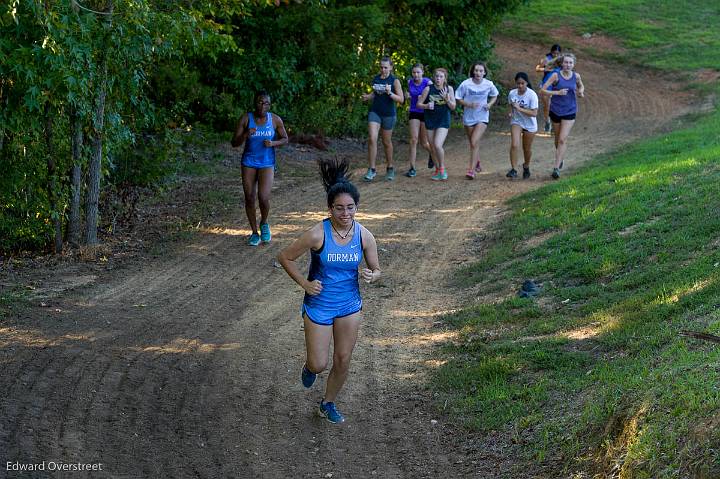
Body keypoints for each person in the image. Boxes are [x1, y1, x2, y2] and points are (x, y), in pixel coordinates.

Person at [277, 157, 381, 424]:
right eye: (339, 209)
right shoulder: (317, 234)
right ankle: (309, 368)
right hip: (319, 305)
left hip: (349, 305)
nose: (345, 214)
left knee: (343, 359)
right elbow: (285, 257)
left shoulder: (364, 236)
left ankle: (328, 403)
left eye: (350, 208)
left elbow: (376, 269)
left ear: (357, 207)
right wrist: (305, 284)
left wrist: (372, 274)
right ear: (330, 209)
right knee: (319, 364)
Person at [231, 91, 288, 246]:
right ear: (255, 103)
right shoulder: (246, 119)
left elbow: (285, 139)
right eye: (260, 102)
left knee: (263, 197)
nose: (263, 106)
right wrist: (245, 135)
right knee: (249, 197)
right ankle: (254, 233)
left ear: (270, 105)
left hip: (267, 163)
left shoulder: (275, 119)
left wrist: (273, 143)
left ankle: (264, 222)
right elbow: (234, 143)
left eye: (266, 103)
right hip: (249, 162)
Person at [541, 53, 585, 179]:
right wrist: (557, 92)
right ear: (561, 63)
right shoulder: (555, 75)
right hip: (555, 110)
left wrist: (581, 91)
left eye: (570, 63)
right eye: (566, 62)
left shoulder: (576, 76)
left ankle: (556, 168)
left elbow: (581, 85)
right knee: (557, 139)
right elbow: (542, 90)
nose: (568, 65)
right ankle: (561, 157)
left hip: (570, 110)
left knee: (562, 139)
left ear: (573, 64)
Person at [362, 56, 404, 181]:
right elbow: (375, 93)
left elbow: (401, 100)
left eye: (386, 67)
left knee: (386, 142)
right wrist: (368, 97)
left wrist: (389, 93)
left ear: (391, 67)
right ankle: (372, 169)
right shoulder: (376, 78)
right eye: (381, 67)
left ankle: (390, 168)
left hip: (389, 114)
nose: (383, 70)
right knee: (372, 138)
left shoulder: (394, 80)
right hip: (375, 112)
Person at [455, 62, 498, 180]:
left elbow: (495, 95)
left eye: (481, 71)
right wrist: (468, 104)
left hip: (482, 117)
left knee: (474, 141)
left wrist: (489, 104)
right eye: (476, 70)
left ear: (484, 72)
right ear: (473, 72)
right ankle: (477, 161)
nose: (478, 73)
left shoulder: (488, 84)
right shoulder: (466, 84)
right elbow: (458, 97)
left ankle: (471, 170)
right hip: (469, 117)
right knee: (473, 143)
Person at [417, 67, 456, 181]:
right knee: (433, 147)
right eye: (437, 76)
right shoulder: (428, 89)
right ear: (433, 78)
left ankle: (442, 169)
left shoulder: (449, 89)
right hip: (430, 120)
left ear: (445, 78)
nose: (438, 79)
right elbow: (418, 104)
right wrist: (426, 106)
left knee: (438, 144)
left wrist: (447, 99)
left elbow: (453, 107)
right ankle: (438, 169)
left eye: (441, 77)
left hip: (443, 120)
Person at [506, 72, 539, 179]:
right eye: (518, 83)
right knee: (515, 144)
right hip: (517, 121)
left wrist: (519, 108)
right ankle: (514, 169)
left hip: (530, 124)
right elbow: (510, 105)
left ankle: (526, 166)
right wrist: (510, 112)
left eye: (522, 83)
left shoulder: (532, 95)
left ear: (526, 83)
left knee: (527, 148)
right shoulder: (512, 93)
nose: (520, 86)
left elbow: (534, 113)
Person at [404, 63, 433, 177]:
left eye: (418, 72)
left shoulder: (427, 82)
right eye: (414, 72)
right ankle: (412, 168)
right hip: (414, 111)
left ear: (422, 73)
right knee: (413, 139)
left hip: (425, 112)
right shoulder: (409, 82)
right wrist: (407, 96)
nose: (416, 75)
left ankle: (432, 153)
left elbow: (433, 94)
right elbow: (409, 95)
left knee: (424, 142)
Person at [535, 44, 562, 133]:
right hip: (546, 84)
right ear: (551, 52)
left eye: (558, 53)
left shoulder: (562, 60)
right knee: (547, 105)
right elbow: (537, 69)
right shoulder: (546, 59)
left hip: (557, 85)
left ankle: (555, 125)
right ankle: (547, 122)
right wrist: (546, 69)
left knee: (556, 105)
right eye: (554, 53)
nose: (556, 55)